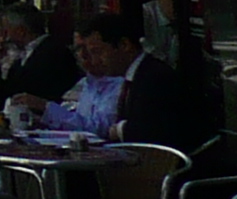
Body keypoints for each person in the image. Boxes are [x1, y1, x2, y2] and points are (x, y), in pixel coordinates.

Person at [47, 10, 204, 149]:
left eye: (98, 51)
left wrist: (120, 129)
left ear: (124, 45)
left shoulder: (154, 77)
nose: (94, 61)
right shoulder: (137, 76)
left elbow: (159, 130)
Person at [0, 7, 81, 109]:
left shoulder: (52, 53)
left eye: (6, 32)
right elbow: (2, 97)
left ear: (21, 31)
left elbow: (15, 94)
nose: (3, 39)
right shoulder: (24, 56)